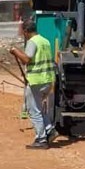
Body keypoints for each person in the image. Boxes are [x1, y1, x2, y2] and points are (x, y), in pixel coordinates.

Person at [12, 17, 56, 149]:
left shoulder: (32, 42)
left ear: (26, 31)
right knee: (39, 108)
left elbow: (26, 59)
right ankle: (50, 130)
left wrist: (15, 51)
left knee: (34, 111)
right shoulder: (45, 41)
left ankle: (41, 139)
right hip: (47, 79)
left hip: (36, 81)